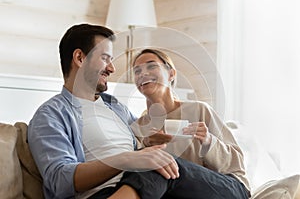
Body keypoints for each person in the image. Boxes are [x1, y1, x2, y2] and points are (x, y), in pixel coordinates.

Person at [28, 24, 249, 199]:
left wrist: (145, 151)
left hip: (152, 188)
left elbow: (145, 150)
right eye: (105, 58)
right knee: (155, 163)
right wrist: (129, 159)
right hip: (112, 191)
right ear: (79, 58)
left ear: (171, 73)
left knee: (157, 162)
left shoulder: (116, 107)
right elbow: (59, 181)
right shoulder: (51, 114)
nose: (112, 68)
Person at [130, 48, 251, 198]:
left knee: (163, 162)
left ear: (171, 74)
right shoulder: (137, 128)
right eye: (137, 71)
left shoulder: (199, 109)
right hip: (184, 192)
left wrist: (208, 141)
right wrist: (147, 147)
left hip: (230, 187)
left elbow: (236, 162)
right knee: (156, 165)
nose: (143, 73)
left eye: (151, 66)